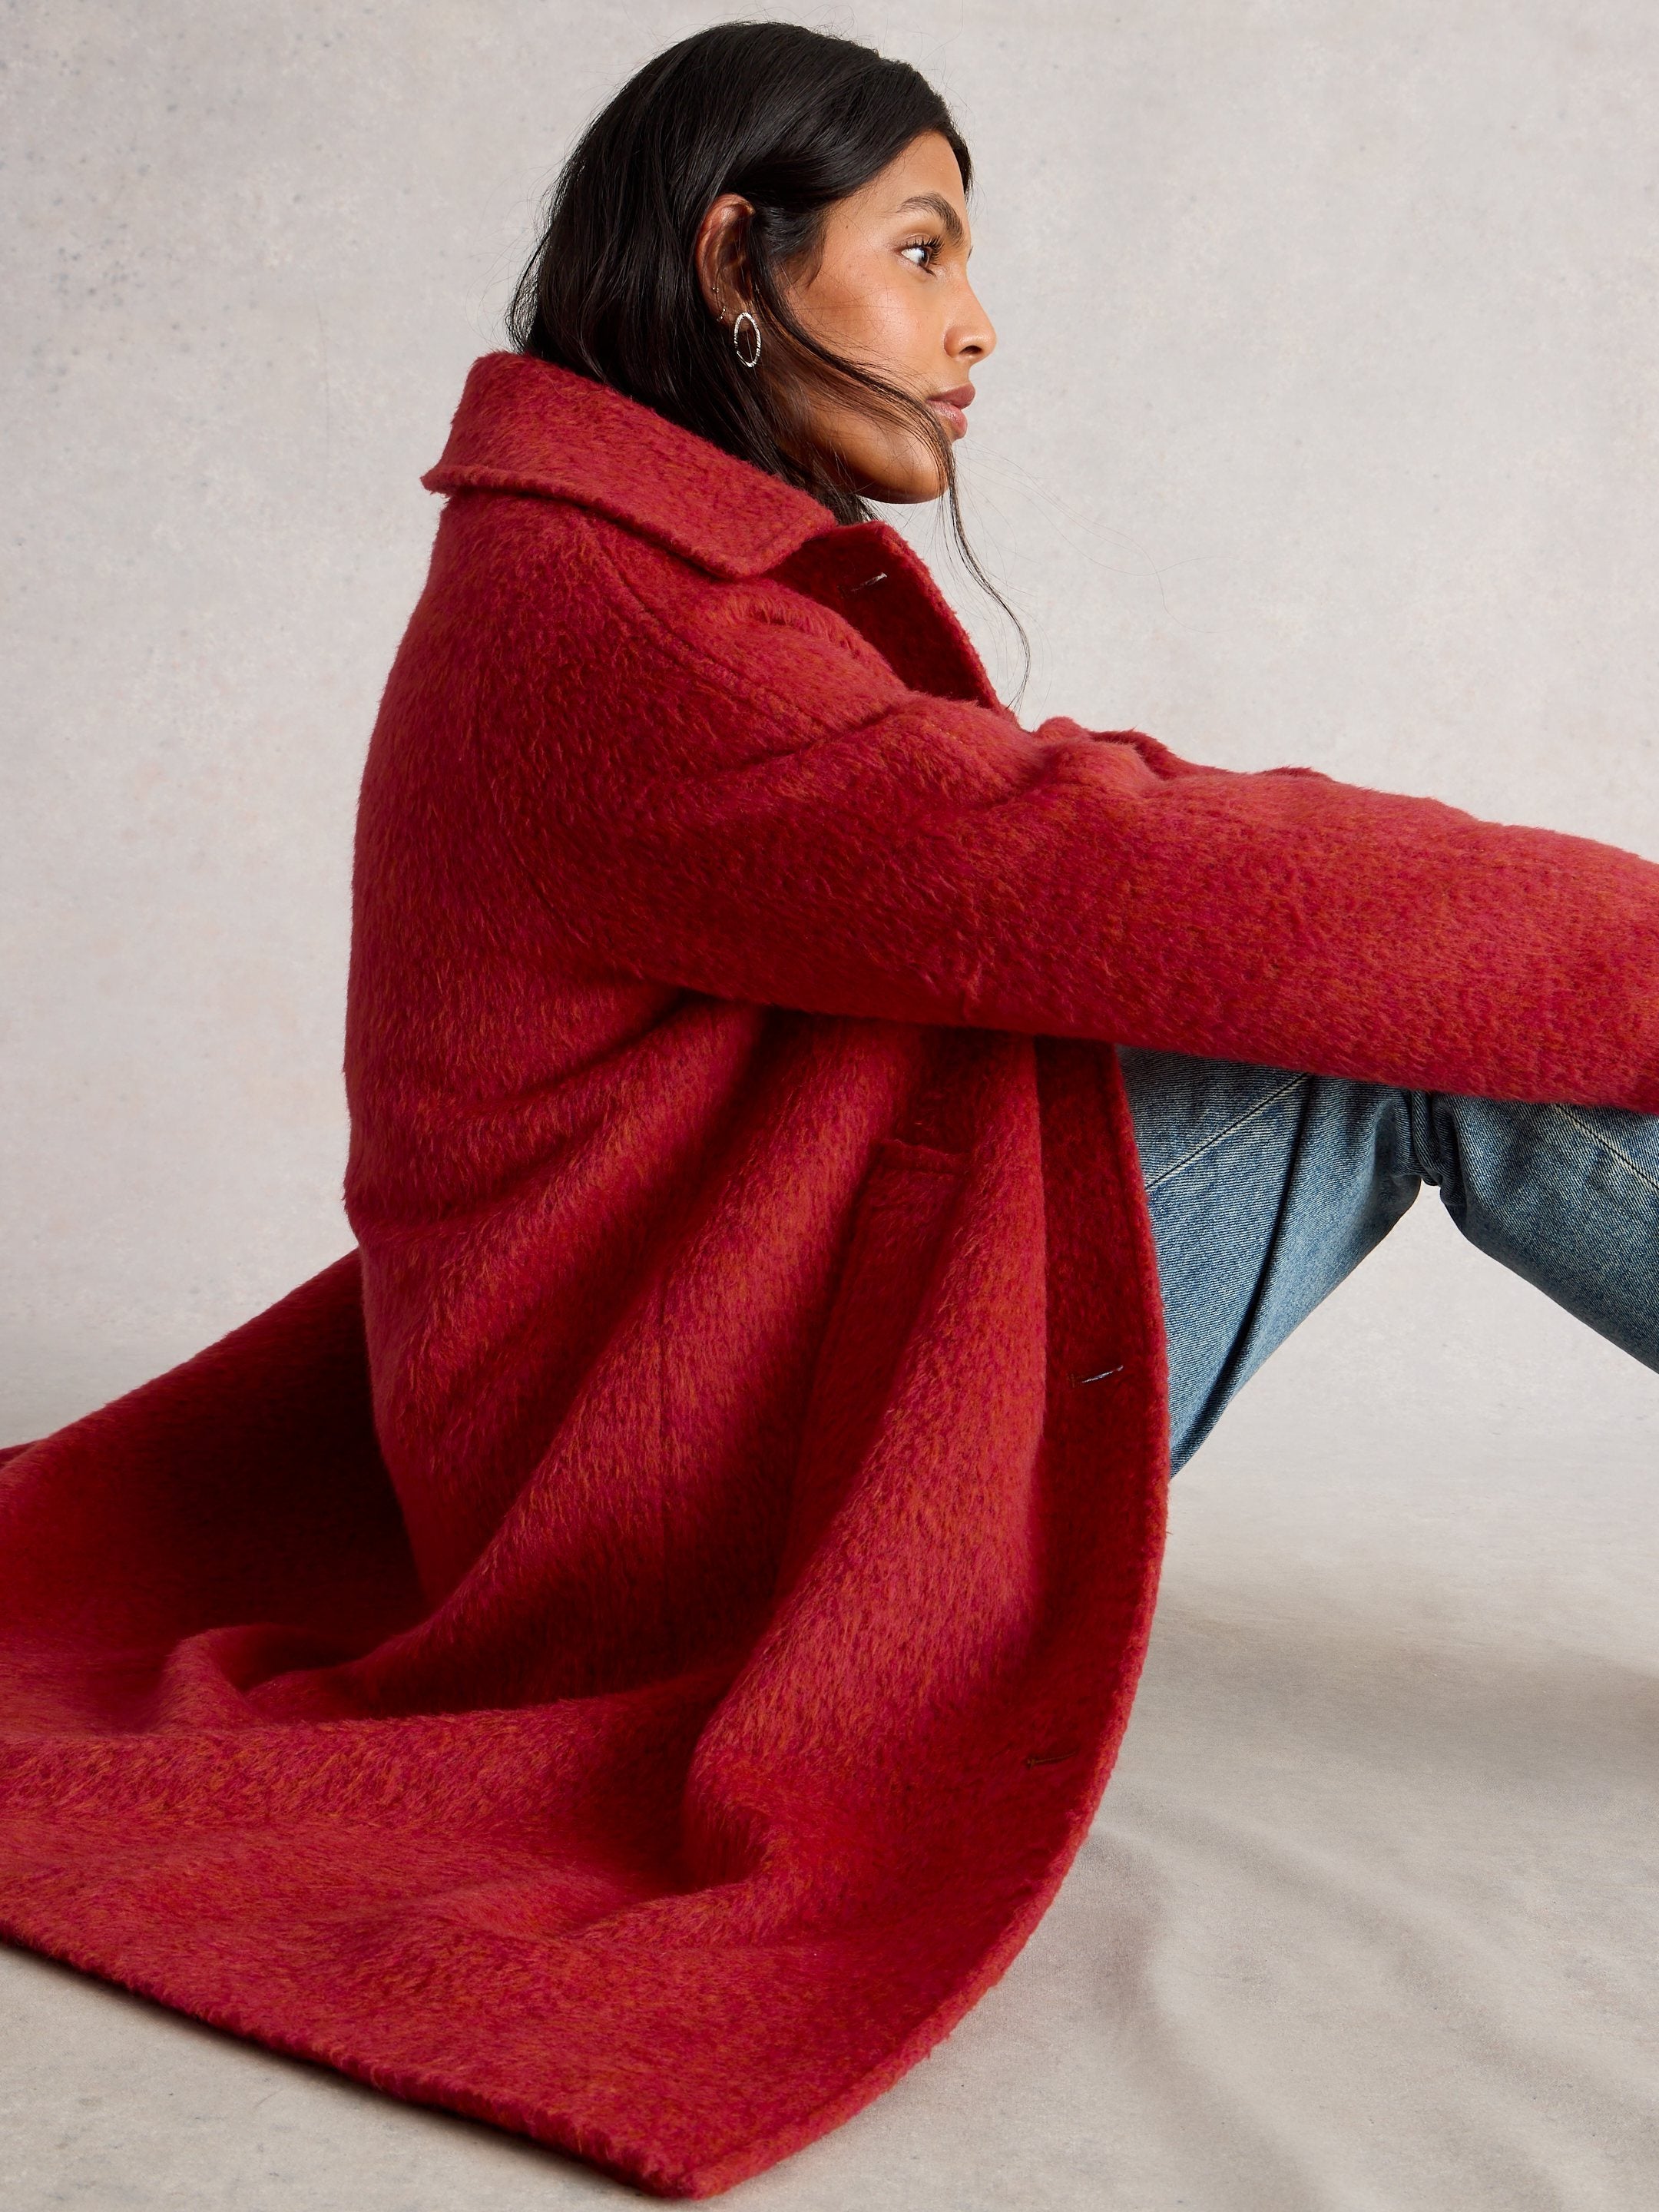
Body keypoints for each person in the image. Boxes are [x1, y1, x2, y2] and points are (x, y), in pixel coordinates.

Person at [2, 20, 1655, 2200]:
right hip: (664, 1487)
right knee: (1412, 1036)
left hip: (675, 1378)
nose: (977, 327)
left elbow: (1057, 861)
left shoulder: (600, 571)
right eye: (917, 247)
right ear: (735, 261)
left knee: (1384, 983)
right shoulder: (623, 630)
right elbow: (1096, 862)